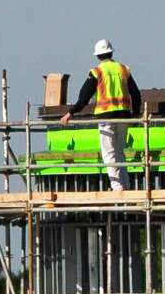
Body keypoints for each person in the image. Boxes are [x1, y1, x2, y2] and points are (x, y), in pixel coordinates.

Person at [59, 39, 142, 191]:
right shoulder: (123, 69)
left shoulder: (97, 72)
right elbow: (136, 94)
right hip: (124, 116)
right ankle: (126, 185)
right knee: (119, 151)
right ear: (111, 52)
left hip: (106, 117)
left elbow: (84, 97)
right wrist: (135, 115)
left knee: (109, 153)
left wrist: (71, 112)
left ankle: (117, 188)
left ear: (98, 56)